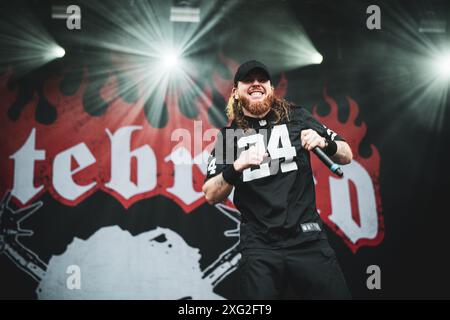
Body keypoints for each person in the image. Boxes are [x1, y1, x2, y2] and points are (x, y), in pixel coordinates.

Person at [202, 60, 353, 299]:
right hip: (260, 247)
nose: (255, 84)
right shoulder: (229, 137)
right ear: (236, 92)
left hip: (307, 240)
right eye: (248, 80)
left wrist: (325, 142)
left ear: (271, 88)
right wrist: (237, 165)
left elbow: (346, 155)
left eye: (261, 80)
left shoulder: (298, 117)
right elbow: (210, 193)